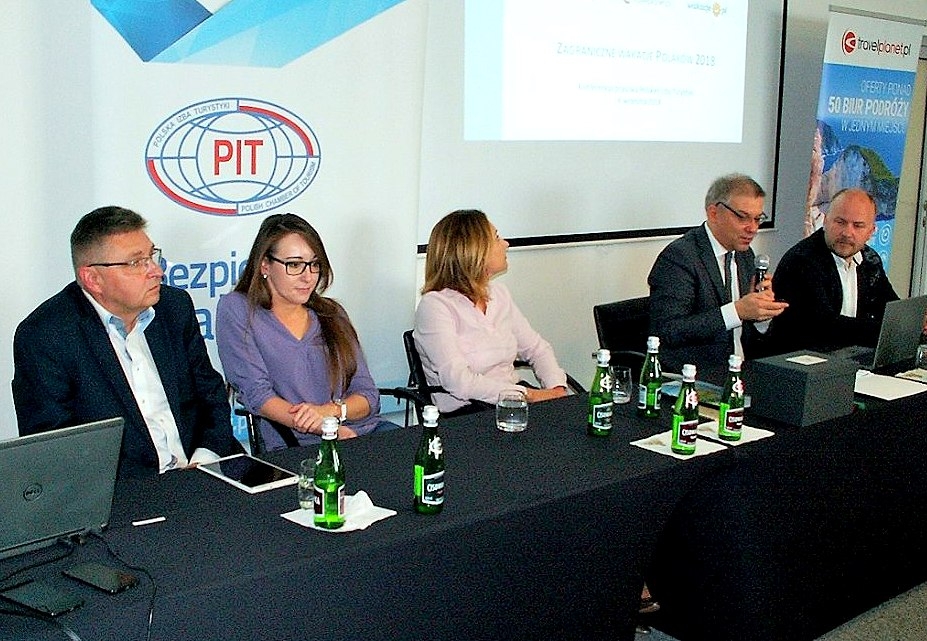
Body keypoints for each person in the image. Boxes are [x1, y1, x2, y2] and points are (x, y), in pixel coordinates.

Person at [12, 206, 239, 478]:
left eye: (152, 256)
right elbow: (58, 448)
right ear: (93, 279)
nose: (156, 271)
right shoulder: (46, 336)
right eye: (136, 263)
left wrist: (205, 459)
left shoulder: (174, 307)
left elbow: (211, 394)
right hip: (122, 490)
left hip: (203, 468)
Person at [216, 213, 392, 450]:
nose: (307, 277)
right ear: (265, 265)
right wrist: (326, 428)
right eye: (294, 265)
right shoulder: (238, 309)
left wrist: (330, 412)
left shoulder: (332, 313)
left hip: (363, 431)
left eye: (314, 264)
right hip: (299, 445)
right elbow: (257, 395)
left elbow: (368, 396)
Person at [413, 209, 568, 415]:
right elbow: (459, 382)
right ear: (473, 249)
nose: (506, 244)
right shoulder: (435, 306)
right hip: (469, 413)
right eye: (496, 238)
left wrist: (557, 388)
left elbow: (537, 349)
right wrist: (529, 395)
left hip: (514, 401)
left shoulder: (499, 294)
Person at [647, 174, 788, 382]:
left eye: (758, 218)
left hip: (739, 373)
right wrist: (737, 311)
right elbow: (669, 331)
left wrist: (761, 316)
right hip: (692, 379)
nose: (753, 228)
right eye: (742, 217)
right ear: (714, 213)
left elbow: (748, 337)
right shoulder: (679, 257)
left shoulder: (745, 255)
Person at [771, 187, 898, 353]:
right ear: (825, 221)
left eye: (858, 226)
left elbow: (890, 305)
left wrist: (912, 321)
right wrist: (887, 330)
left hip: (847, 357)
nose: (847, 233)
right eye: (840, 222)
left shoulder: (870, 259)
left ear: (871, 232)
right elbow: (825, 326)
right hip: (800, 359)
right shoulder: (802, 261)